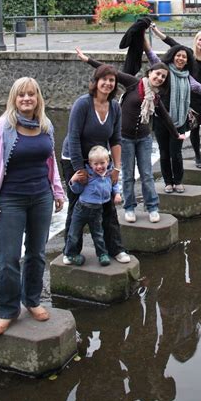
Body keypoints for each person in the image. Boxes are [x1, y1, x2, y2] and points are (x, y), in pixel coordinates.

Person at [0, 77, 65, 336]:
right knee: (8, 258)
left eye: (31, 94)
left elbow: (50, 162)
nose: (26, 99)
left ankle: (32, 301)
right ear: (14, 99)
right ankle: (8, 310)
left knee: (37, 253)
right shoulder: (1, 127)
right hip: (10, 200)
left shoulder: (46, 126)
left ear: (38, 98)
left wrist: (58, 191)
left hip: (41, 196)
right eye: (21, 95)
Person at [76, 48, 186, 221]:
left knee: (147, 174)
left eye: (163, 77)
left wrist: (176, 134)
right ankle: (129, 207)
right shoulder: (134, 83)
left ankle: (152, 207)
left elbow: (164, 115)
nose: (159, 78)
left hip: (144, 138)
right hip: (124, 138)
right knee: (127, 175)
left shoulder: (155, 97)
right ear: (150, 73)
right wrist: (88, 59)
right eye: (157, 74)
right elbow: (111, 72)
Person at [61, 64, 130, 265]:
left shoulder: (115, 106)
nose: (108, 83)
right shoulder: (83, 104)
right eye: (104, 79)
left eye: (112, 80)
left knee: (107, 203)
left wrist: (116, 168)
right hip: (75, 159)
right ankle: (70, 251)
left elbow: (116, 139)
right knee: (77, 206)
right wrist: (79, 169)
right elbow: (73, 137)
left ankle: (115, 249)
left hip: (100, 161)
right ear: (96, 82)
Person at [145, 34, 201, 191]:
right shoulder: (164, 71)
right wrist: (143, 36)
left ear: (187, 61)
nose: (181, 59)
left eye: (184, 57)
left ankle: (178, 181)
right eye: (178, 56)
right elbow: (151, 55)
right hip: (162, 119)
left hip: (180, 120)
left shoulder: (187, 77)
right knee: (164, 153)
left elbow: (199, 88)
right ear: (173, 56)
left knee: (176, 153)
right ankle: (168, 183)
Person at [64, 145, 121, 266]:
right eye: (95, 164)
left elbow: (114, 184)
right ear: (90, 164)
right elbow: (77, 190)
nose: (99, 167)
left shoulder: (109, 174)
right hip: (81, 209)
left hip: (97, 211)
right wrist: (73, 180)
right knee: (73, 234)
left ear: (108, 161)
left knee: (98, 234)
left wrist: (117, 194)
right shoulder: (87, 175)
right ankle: (70, 254)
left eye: (102, 163)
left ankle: (102, 254)